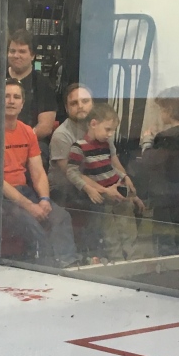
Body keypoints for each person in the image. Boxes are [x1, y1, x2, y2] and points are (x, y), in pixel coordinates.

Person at [0, 77, 76, 266]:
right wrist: (29, 206)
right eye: (6, 96)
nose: (11, 101)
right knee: (30, 222)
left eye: (16, 97)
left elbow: (38, 172)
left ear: (22, 103)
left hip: (24, 191)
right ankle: (45, 268)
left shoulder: (27, 132)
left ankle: (68, 265)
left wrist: (44, 199)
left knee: (61, 217)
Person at [67, 102, 139, 261]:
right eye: (108, 129)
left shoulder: (105, 145)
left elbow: (110, 167)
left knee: (128, 230)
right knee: (110, 234)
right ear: (93, 124)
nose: (110, 134)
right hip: (104, 197)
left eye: (113, 131)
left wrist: (124, 176)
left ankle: (133, 260)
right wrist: (89, 189)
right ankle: (117, 262)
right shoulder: (79, 147)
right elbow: (72, 171)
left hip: (118, 191)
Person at [134, 86, 179, 255]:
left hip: (165, 194)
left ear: (169, 110)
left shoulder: (166, 138)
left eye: (162, 109)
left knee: (163, 233)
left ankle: (164, 261)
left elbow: (150, 161)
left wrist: (147, 141)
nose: (160, 113)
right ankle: (177, 258)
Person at [5, 30, 59, 139]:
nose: (16, 55)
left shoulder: (43, 84)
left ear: (32, 55)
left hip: (30, 142)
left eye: (22, 51)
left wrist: (19, 141)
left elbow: (45, 126)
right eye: (12, 51)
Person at [49, 83, 98, 202]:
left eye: (85, 101)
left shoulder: (100, 127)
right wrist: (106, 190)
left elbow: (112, 161)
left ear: (93, 104)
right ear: (67, 108)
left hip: (93, 184)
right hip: (65, 193)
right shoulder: (61, 135)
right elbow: (73, 175)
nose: (80, 106)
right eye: (74, 103)